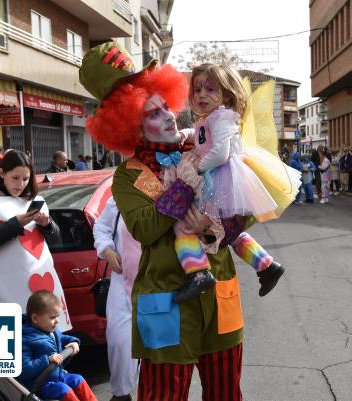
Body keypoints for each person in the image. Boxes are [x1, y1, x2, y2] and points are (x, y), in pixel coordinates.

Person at [80, 41, 260, 399]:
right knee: (162, 395)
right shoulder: (129, 175)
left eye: (166, 106)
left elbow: (248, 211)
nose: (168, 116)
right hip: (167, 301)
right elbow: (145, 227)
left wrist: (212, 227)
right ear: (132, 127)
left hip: (218, 293)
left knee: (226, 393)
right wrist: (184, 181)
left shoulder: (203, 147)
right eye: (153, 113)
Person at [165, 63, 298, 302]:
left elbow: (220, 153)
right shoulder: (212, 118)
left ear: (226, 94)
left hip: (221, 176)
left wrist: (197, 167)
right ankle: (267, 266)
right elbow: (203, 136)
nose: (202, 94)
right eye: (197, 89)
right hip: (219, 176)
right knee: (229, 231)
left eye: (210, 89)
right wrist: (186, 134)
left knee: (184, 227)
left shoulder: (222, 118)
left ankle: (197, 273)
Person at [0, 150, 69, 330]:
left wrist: (47, 224)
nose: (21, 184)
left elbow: (55, 240)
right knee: (15, 341)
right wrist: (15, 224)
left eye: (26, 179)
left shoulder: (34, 200)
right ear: (2, 173)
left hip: (41, 282)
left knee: (47, 339)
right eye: (15, 178)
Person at [93, 197, 140, 401]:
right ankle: (121, 394)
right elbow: (101, 227)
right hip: (122, 282)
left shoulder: (167, 189)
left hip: (158, 284)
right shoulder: (119, 196)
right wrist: (107, 249)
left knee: (156, 346)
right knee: (120, 342)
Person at [18, 290, 97, 401]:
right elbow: (23, 369)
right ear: (35, 318)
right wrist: (47, 360)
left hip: (57, 376)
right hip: (40, 385)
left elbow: (61, 338)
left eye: (57, 316)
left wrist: (73, 341)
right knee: (63, 389)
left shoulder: (51, 331)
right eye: (52, 317)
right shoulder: (24, 340)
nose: (57, 321)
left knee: (78, 379)